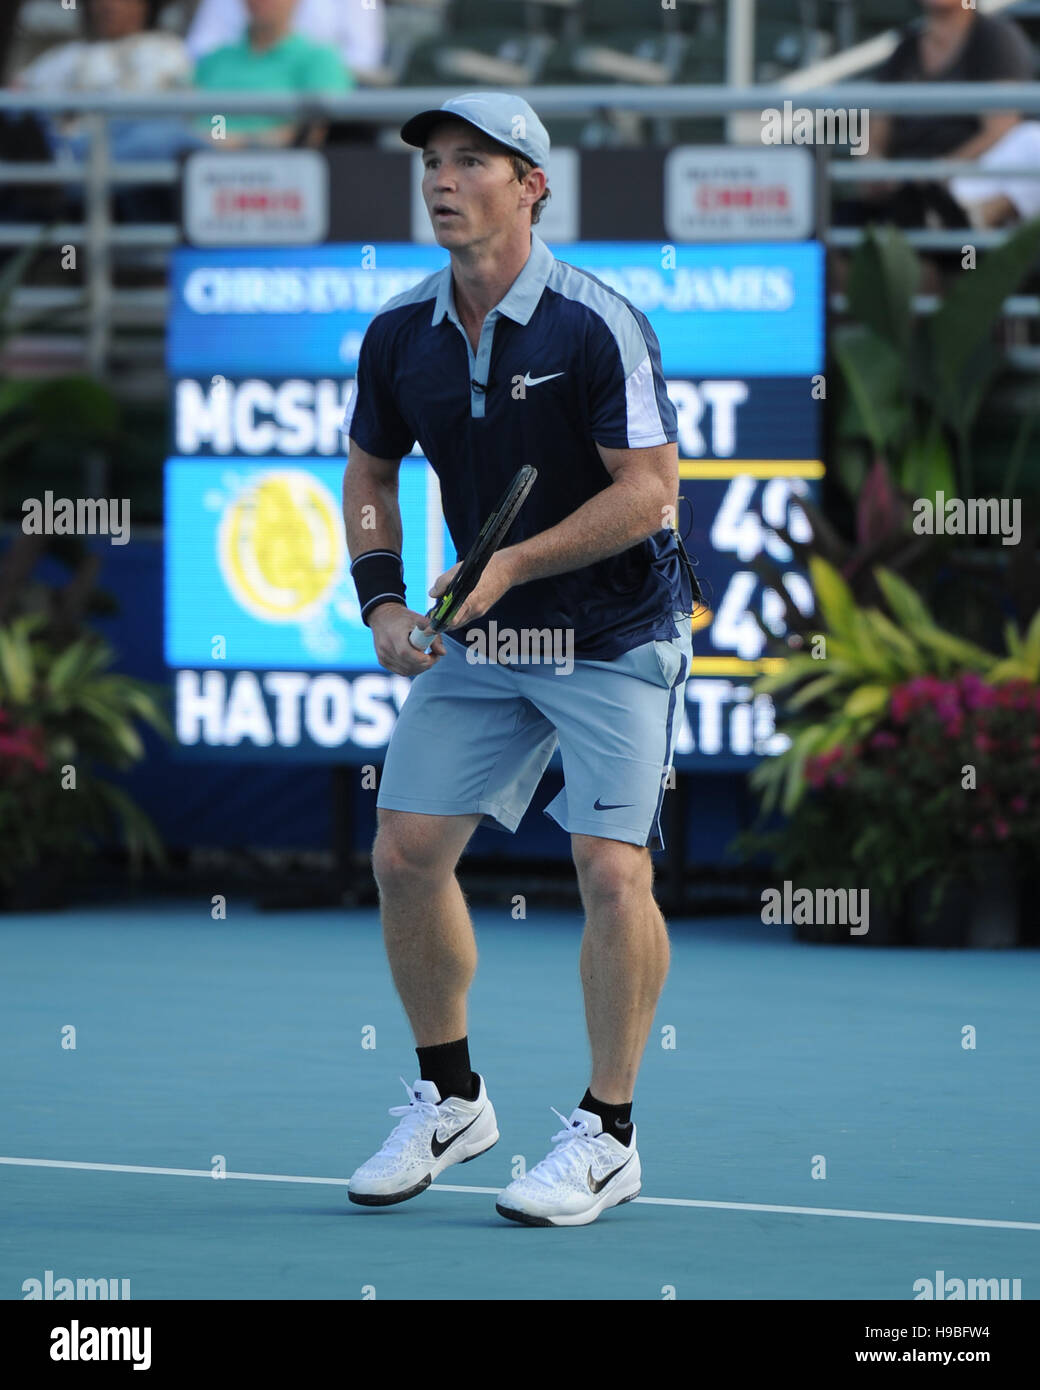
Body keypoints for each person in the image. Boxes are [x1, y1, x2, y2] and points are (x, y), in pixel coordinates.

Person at [341, 92, 697, 1227]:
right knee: (403, 854)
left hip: (611, 635)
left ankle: (607, 1132)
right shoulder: (400, 332)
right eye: (432, 162)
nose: (442, 180)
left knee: (610, 873)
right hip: (481, 640)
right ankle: (450, 1100)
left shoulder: (595, 324)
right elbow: (367, 476)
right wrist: (382, 598)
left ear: (530, 184)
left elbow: (649, 493)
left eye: (472, 162)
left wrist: (512, 565)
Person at [837, 0, 1038, 231]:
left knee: (1034, 141)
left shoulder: (994, 37)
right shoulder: (905, 49)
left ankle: (962, 224)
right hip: (906, 187)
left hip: (967, 178)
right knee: (846, 220)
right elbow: (873, 137)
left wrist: (939, 171)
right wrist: (875, 168)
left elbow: (1000, 129)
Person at [9, 0, 194, 161]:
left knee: (162, 137)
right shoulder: (67, 54)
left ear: (145, 4)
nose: (108, 5)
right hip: (60, 151)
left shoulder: (167, 50)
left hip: (123, 156)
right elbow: (16, 96)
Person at [193, 0, 352, 148]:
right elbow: (188, 118)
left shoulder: (320, 59)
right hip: (197, 161)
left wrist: (237, 144)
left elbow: (313, 132)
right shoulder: (215, 59)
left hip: (275, 169)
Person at [186, 0, 385, 83]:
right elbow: (198, 50)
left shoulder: (322, 63)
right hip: (220, 117)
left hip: (313, 92)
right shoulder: (218, 62)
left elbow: (364, 58)